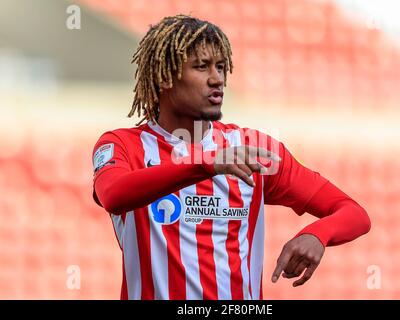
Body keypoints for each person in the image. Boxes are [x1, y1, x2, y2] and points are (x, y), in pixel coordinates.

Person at [91, 15, 371, 300]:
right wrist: (206, 164)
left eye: (221, 67)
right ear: (165, 77)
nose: (217, 79)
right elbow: (114, 195)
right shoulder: (123, 145)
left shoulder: (253, 148)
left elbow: (353, 213)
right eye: (202, 67)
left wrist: (318, 234)